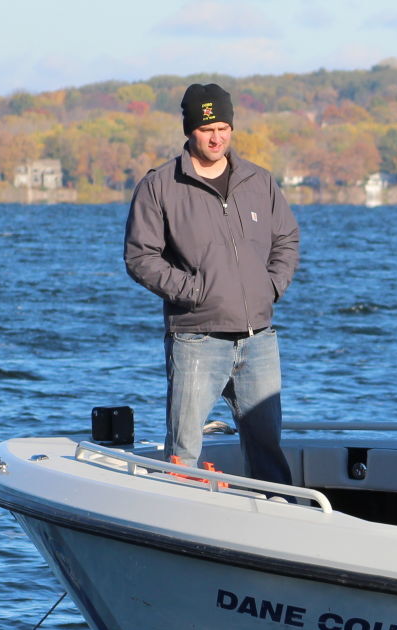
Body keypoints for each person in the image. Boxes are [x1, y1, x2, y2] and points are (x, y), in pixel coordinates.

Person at [124, 82, 300, 485]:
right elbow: (140, 256)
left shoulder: (259, 181)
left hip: (259, 340)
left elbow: (286, 238)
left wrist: (270, 287)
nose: (216, 136)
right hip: (196, 339)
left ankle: (276, 527)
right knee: (183, 454)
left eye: (222, 126)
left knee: (268, 451)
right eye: (207, 129)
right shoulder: (160, 186)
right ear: (190, 130)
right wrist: (194, 293)